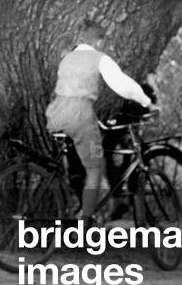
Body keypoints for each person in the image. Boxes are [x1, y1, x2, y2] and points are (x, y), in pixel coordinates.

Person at [45, 20, 152, 227]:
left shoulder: (67, 58)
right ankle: (86, 223)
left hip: (57, 114)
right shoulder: (98, 58)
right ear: (97, 40)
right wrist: (146, 102)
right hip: (80, 116)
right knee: (95, 169)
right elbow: (123, 86)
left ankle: (74, 205)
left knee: (76, 163)